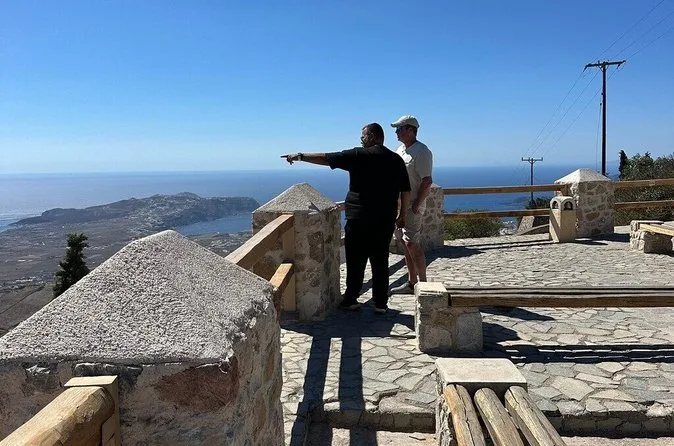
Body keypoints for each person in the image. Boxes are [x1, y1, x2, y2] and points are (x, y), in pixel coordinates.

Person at [281, 123, 411, 313]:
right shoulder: (395, 160)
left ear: (372, 136)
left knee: (356, 260)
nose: (361, 140)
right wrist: (402, 215)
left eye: (363, 136)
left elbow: (327, 158)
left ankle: (351, 299)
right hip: (385, 219)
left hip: (358, 219)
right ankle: (381, 303)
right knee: (380, 260)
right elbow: (405, 190)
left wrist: (300, 156)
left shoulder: (358, 155)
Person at [389, 115, 433, 295]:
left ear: (410, 130)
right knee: (405, 244)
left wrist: (416, 205)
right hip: (400, 206)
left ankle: (424, 284)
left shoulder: (422, 151)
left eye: (399, 129)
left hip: (411, 206)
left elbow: (427, 181)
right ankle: (411, 281)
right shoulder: (400, 150)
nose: (396, 132)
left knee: (412, 243)